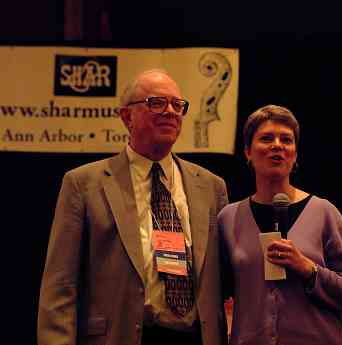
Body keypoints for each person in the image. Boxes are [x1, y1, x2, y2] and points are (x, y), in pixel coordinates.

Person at [37, 69, 229, 345]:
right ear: (127, 116)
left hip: (194, 336)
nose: (171, 112)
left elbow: (225, 280)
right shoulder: (83, 184)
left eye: (177, 105)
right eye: (157, 103)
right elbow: (60, 285)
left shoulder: (212, 187)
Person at [218, 104, 342, 345]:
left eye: (286, 140)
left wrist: (309, 269)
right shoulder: (228, 218)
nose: (277, 145)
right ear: (247, 151)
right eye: (266, 138)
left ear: (295, 154)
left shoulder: (324, 212)